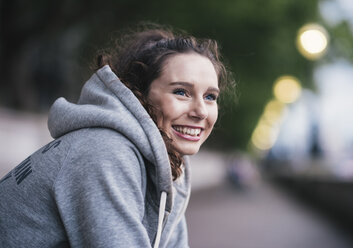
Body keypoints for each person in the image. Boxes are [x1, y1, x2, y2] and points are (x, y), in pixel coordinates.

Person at [0, 25, 233, 247]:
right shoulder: (105, 151)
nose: (201, 111)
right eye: (181, 92)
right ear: (138, 93)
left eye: (210, 97)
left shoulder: (172, 163)